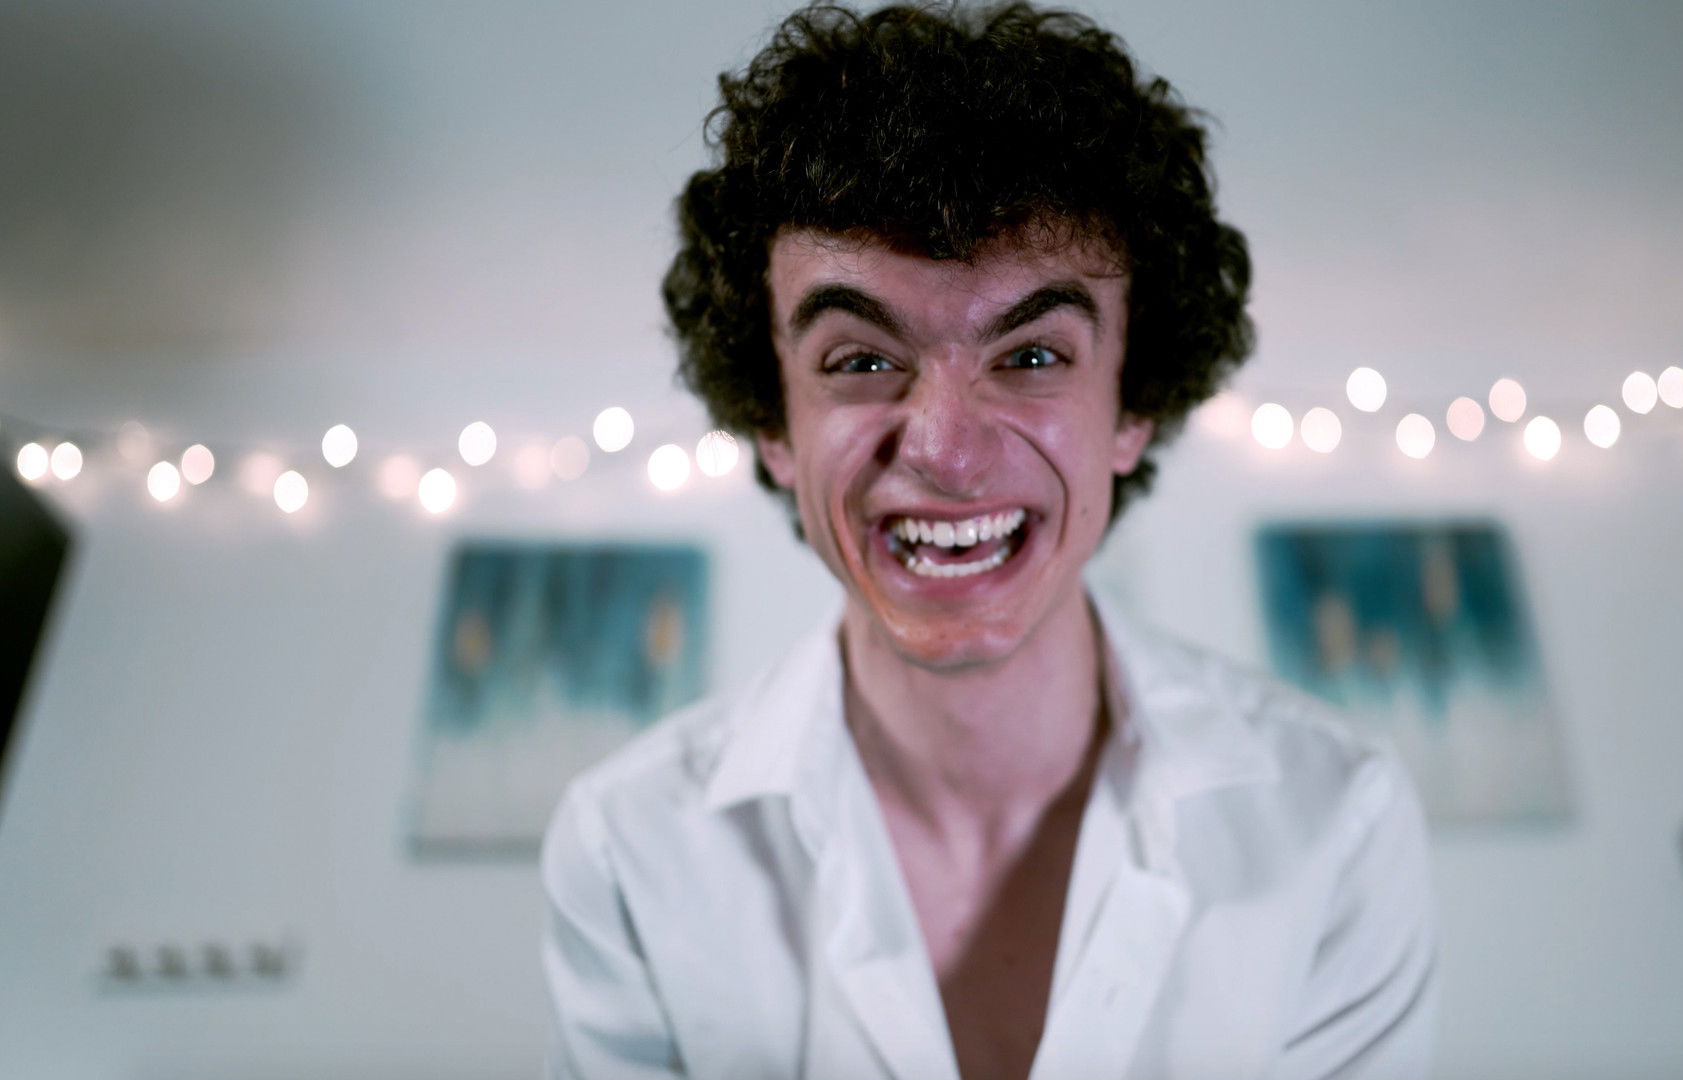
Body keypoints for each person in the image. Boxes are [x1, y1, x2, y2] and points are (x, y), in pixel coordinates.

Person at [540, 3, 1437, 1078]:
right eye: (861, 361)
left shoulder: (1336, 820)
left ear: (1132, 405)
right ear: (774, 425)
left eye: (1033, 356)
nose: (947, 453)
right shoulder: (626, 848)